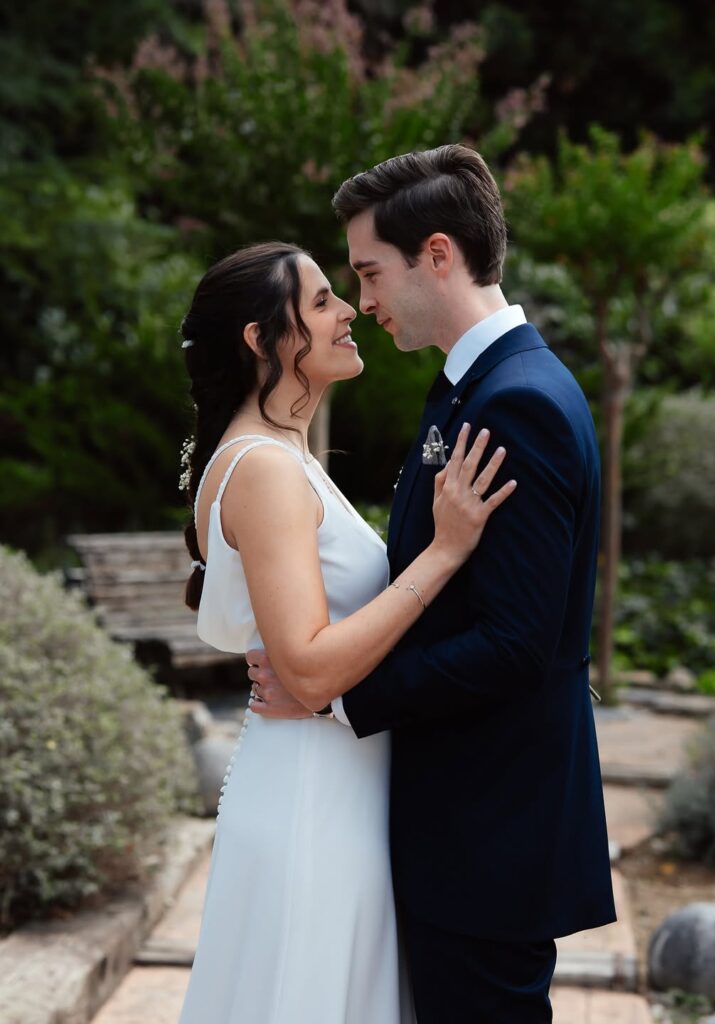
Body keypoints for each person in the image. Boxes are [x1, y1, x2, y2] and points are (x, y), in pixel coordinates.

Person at [246, 145, 617, 1023]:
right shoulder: (473, 388)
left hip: (489, 833)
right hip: (466, 827)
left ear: (439, 255)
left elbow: (515, 643)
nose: (363, 300)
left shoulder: (514, 403)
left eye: (370, 272)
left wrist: (332, 695)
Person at [176, 240, 515, 1024]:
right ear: (261, 339)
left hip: (331, 784)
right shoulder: (262, 467)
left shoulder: (282, 453)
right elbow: (312, 669)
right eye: (322, 299)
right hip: (312, 800)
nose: (348, 313)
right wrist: (444, 553)